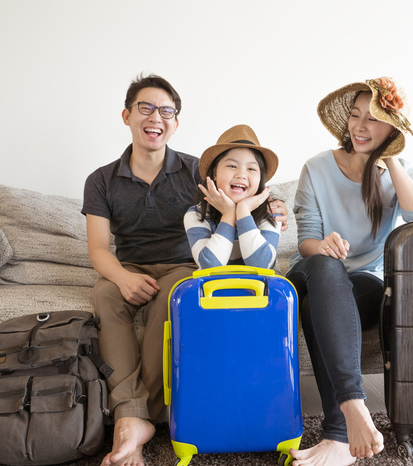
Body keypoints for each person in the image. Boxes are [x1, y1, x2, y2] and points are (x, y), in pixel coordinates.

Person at [81, 74, 288, 466]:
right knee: (104, 294)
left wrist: (273, 208)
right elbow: (97, 249)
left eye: (166, 111)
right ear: (126, 115)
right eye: (145, 108)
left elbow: (241, 189)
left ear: (175, 123)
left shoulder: (197, 172)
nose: (155, 117)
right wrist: (123, 278)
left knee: (175, 298)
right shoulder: (101, 180)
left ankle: (141, 417)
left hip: (184, 265)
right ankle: (130, 415)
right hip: (129, 265)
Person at [286, 77, 413, 466]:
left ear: (392, 129)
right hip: (310, 274)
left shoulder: (394, 172)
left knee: (331, 303)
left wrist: (392, 161)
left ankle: (337, 436)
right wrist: (323, 247)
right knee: (324, 268)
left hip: (361, 284)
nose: (361, 126)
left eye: (375, 119)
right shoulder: (316, 168)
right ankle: (353, 405)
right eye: (355, 116)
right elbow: (306, 240)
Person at [184, 124, 281, 269]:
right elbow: (210, 266)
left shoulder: (270, 213)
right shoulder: (197, 214)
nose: (241, 174)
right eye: (232, 166)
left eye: (251, 169)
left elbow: (262, 265)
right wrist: (229, 214)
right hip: (213, 289)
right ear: (215, 173)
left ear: (261, 178)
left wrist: (243, 211)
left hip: (261, 290)